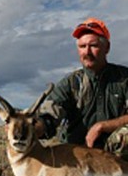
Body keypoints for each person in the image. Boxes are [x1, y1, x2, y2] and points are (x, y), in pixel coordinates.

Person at [35, 17, 128, 159]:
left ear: (107, 48)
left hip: (115, 157)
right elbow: (50, 114)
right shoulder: (71, 83)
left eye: (93, 46)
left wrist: (102, 126)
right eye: (82, 47)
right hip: (79, 157)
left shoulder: (124, 78)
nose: (87, 52)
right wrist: (34, 128)